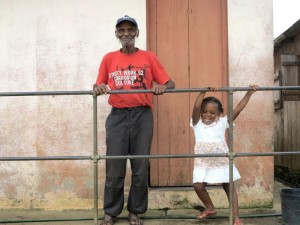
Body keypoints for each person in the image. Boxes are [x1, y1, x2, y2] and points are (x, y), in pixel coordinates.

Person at [93, 15, 175, 225]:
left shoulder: (148, 57)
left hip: (142, 116)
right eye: (122, 30)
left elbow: (170, 83)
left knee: (140, 166)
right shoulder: (109, 58)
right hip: (117, 116)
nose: (126, 33)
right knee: (114, 166)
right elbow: (97, 86)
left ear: (137, 33)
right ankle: (111, 211)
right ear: (116, 34)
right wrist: (99, 87)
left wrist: (162, 87)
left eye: (130, 29)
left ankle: (135, 212)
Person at [190, 85, 258, 225]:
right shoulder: (197, 123)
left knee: (229, 187)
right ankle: (210, 207)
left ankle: (236, 217)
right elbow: (196, 108)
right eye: (205, 112)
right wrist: (203, 91)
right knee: (198, 185)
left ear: (220, 113)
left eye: (212, 113)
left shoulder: (222, 122)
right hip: (203, 162)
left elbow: (238, 109)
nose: (207, 115)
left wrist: (249, 93)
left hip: (221, 161)